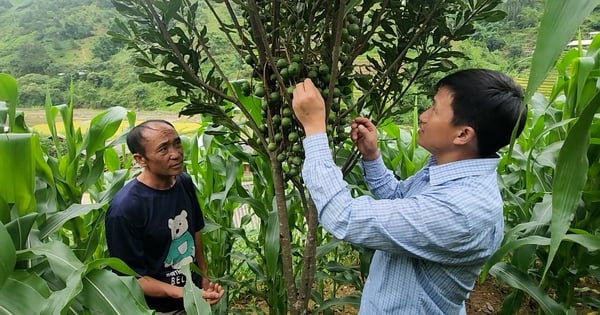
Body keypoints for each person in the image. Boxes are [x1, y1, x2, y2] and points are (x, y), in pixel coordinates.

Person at [291, 69, 527, 314]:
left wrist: (314, 129)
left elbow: (344, 217)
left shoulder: (461, 210)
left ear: (463, 134)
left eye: (435, 109)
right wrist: (371, 157)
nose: (423, 116)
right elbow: (400, 201)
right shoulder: (450, 170)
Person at [105, 119, 224, 314]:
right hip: (156, 310)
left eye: (177, 143)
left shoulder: (183, 182)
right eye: (163, 149)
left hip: (194, 300)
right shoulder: (125, 209)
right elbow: (132, 279)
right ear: (140, 159)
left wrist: (203, 278)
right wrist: (185, 293)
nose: (176, 154)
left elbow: (194, 231)